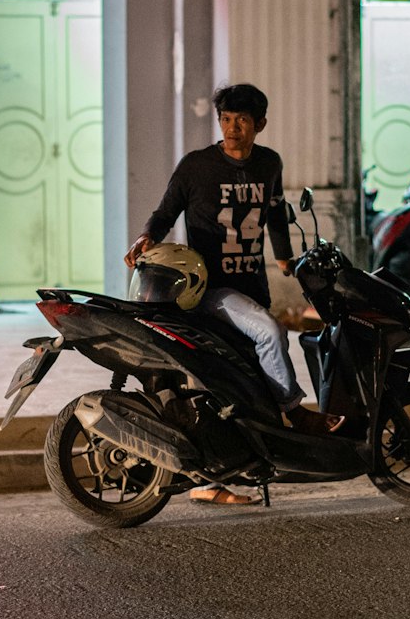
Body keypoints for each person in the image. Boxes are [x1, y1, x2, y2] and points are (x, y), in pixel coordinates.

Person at [124, 82, 344, 506]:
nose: (233, 128)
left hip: (250, 286)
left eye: (242, 120)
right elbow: (166, 211)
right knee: (270, 334)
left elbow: (276, 213)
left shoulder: (268, 164)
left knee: (239, 382)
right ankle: (294, 412)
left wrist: (286, 261)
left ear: (260, 123)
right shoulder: (196, 167)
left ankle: (214, 477)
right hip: (208, 289)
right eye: (226, 119)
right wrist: (145, 237)